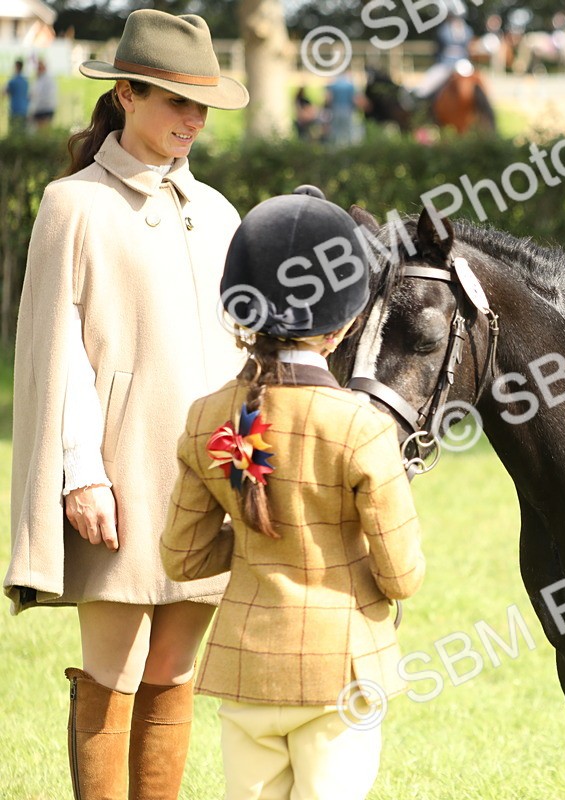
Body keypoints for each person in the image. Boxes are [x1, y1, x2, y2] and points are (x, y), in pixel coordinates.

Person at [4, 10, 248, 799]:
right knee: (114, 667)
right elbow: (56, 351)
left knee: (175, 671)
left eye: (201, 103)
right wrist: (81, 472)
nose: (192, 119)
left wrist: (254, 459)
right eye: (176, 99)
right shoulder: (71, 203)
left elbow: (247, 350)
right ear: (126, 93)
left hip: (210, 478)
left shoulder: (218, 212)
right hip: (117, 471)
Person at [160, 186, 426, 800]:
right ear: (342, 326)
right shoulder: (360, 425)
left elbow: (184, 557)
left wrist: (256, 539)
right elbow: (402, 574)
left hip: (247, 668)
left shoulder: (208, 418)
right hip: (342, 672)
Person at [414, 9, 475, 98]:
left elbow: (438, 49)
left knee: (429, 82)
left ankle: (419, 95)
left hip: (450, 63)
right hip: (459, 63)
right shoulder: (467, 30)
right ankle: (420, 94)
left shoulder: (444, 30)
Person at [30, 58, 57, 130]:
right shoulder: (37, 80)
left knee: (44, 131)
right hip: (39, 109)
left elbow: (46, 96)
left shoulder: (48, 79)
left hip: (45, 109)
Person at [5, 58, 30, 133]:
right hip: (24, 109)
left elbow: (5, 92)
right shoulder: (25, 81)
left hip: (15, 110)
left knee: (14, 131)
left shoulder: (13, 81)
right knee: (22, 132)